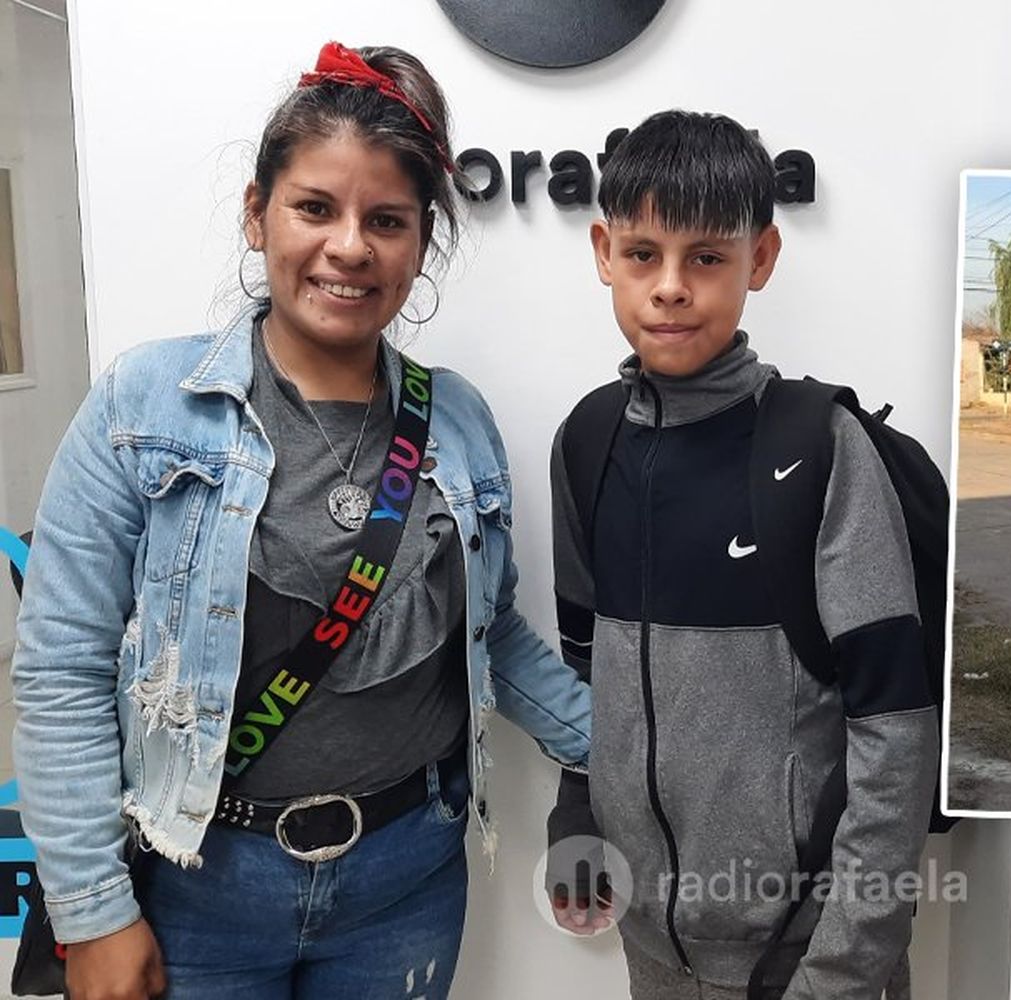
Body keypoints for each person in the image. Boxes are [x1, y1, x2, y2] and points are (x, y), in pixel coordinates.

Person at [11, 42, 591, 1000]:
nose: (350, 246)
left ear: (421, 242)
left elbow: (497, 639)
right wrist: (91, 908)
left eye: (388, 220)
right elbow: (61, 668)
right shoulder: (144, 406)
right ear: (257, 214)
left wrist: (627, 753)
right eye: (315, 207)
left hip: (405, 882)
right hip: (196, 890)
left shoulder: (460, 421)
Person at [546, 110, 938, 1000]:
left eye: (708, 258)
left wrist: (840, 971)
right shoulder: (588, 440)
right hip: (652, 957)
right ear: (604, 250)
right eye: (644, 253)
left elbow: (896, 731)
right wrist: (576, 814)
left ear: (760, 260)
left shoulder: (821, 449)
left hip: (809, 965)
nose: (671, 287)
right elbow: (584, 668)